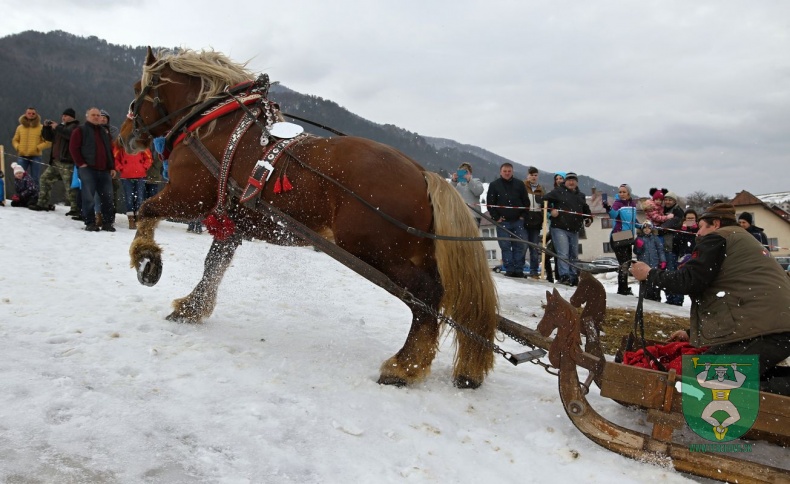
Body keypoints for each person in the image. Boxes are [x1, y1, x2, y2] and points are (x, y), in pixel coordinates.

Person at [630, 203, 790, 396]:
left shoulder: (718, 238)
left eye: (702, 226)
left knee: (713, 378)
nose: (698, 233)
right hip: (771, 326)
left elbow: (690, 280)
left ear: (715, 223)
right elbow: (736, 298)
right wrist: (692, 332)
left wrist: (649, 274)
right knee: (710, 368)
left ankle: (769, 411)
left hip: (768, 329)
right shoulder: (741, 239)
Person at [70, 107, 117, 232]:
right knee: (88, 197)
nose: (97, 117)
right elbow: (73, 148)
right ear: (87, 116)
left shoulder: (104, 132)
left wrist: (112, 166)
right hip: (88, 169)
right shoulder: (80, 130)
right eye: (93, 115)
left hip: (105, 169)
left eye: (98, 115)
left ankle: (108, 223)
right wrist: (81, 163)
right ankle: (90, 222)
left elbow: (109, 150)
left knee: (108, 197)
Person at [544, 172, 592, 286]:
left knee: (573, 254)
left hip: (574, 229)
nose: (571, 182)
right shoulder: (558, 192)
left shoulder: (580, 195)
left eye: (573, 180)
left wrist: (588, 218)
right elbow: (543, 200)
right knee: (563, 253)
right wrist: (551, 210)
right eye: (569, 180)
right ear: (565, 181)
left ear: (576, 182)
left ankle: (573, 276)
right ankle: (564, 276)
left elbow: (586, 209)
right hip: (559, 227)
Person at [29, 108, 81, 215]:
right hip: (55, 161)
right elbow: (49, 138)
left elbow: (69, 135)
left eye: (66, 116)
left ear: (72, 117)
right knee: (45, 179)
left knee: (70, 187)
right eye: (63, 115)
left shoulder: (75, 128)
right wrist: (46, 128)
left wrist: (57, 127)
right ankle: (42, 202)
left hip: (67, 162)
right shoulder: (61, 128)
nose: (63, 117)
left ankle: (75, 208)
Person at [486, 163, 529, 278]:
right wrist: (496, 217)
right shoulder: (494, 185)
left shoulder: (519, 184)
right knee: (505, 246)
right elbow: (490, 204)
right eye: (505, 171)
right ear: (501, 172)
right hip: (502, 221)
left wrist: (523, 216)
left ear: (512, 172)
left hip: (518, 220)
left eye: (509, 171)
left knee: (519, 246)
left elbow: (526, 202)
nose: (507, 173)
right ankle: (509, 269)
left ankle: (519, 269)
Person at [603, 183, 638, 295]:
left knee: (627, 263)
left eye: (624, 192)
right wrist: (608, 208)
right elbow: (613, 215)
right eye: (620, 192)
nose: (622, 194)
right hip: (619, 235)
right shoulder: (617, 203)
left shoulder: (633, 204)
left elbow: (633, 221)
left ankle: (624, 288)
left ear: (629, 193)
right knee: (624, 263)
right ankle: (622, 289)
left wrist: (642, 226)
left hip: (629, 236)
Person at [114, 144, 152, 229]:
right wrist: (121, 168)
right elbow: (116, 158)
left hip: (140, 175)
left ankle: (138, 219)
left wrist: (143, 168)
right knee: (129, 198)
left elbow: (148, 158)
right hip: (126, 176)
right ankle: (131, 220)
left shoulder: (141, 144)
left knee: (140, 198)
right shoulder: (122, 145)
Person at [11, 107, 51, 185]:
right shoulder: (20, 127)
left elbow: (48, 142)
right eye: (29, 113)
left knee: (35, 178)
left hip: (36, 156)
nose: (31, 115)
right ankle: (20, 196)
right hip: (22, 155)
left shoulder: (41, 127)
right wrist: (18, 147)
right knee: (19, 177)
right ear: (25, 114)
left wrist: (38, 148)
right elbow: (14, 140)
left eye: (33, 113)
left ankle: (35, 196)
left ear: (36, 115)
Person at [659, 190, 686, 305]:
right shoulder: (662, 211)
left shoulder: (678, 211)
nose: (668, 202)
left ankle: (677, 299)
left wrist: (661, 227)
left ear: (674, 201)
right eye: (666, 200)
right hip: (663, 247)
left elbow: (673, 223)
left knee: (673, 274)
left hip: (672, 248)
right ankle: (670, 297)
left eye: (670, 200)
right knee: (665, 275)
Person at [522, 166, 546, 279]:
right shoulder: (522, 187)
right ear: (528, 176)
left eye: (535, 175)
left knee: (534, 248)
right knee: (522, 246)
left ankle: (534, 271)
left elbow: (544, 207)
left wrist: (543, 219)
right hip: (524, 220)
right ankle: (519, 269)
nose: (533, 177)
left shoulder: (541, 190)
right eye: (531, 175)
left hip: (536, 222)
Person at [633, 221, 666, 301]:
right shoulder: (639, 238)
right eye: (645, 228)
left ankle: (656, 297)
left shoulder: (655, 238)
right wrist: (638, 246)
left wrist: (663, 260)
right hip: (644, 265)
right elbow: (636, 252)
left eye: (649, 228)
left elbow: (660, 250)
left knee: (655, 282)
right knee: (645, 282)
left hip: (654, 264)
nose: (647, 230)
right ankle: (645, 297)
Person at [543, 172, 566, 283]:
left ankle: (559, 276)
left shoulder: (567, 193)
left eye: (561, 178)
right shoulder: (553, 193)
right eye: (557, 178)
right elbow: (547, 206)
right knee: (547, 255)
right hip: (553, 226)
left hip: (564, 227)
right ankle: (550, 277)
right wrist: (550, 213)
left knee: (559, 254)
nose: (559, 180)